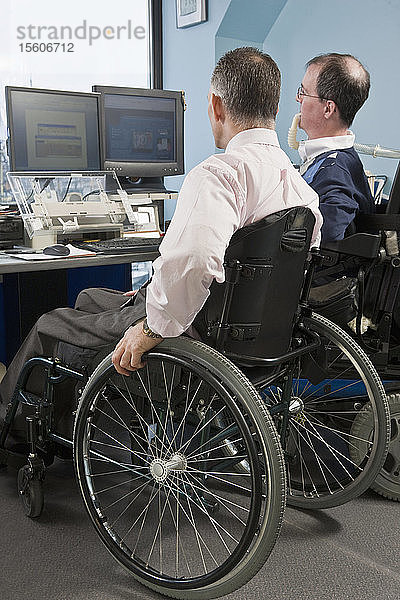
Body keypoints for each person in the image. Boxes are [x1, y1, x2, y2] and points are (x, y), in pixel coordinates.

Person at [0, 47, 322, 440]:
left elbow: (195, 260)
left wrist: (151, 329)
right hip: (252, 336)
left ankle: (7, 424)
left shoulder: (221, 173)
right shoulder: (300, 188)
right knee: (87, 298)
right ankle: (76, 420)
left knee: (49, 325)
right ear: (273, 107)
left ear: (216, 106)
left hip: (194, 336)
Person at [296, 53, 374, 242]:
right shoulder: (334, 161)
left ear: (328, 109)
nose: (298, 99)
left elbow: (329, 236)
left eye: (304, 92)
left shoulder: (334, 170)